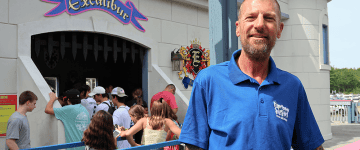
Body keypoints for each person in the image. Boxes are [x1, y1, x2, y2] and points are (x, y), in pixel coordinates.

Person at [178, 0, 325, 149]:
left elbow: (312, 145)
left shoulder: (293, 86)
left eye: (269, 18)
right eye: (251, 17)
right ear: (238, 28)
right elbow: (194, 146)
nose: (260, 24)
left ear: (280, 29)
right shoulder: (208, 81)